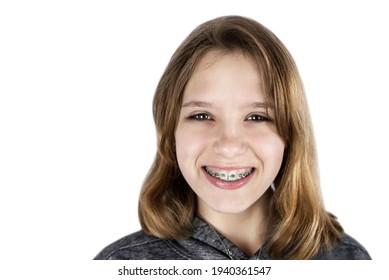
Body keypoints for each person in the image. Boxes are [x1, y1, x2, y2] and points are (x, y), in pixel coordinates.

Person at [94, 15, 371, 260]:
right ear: (170, 131)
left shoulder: (347, 260)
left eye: (257, 117)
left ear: (291, 134)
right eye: (202, 116)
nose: (228, 145)